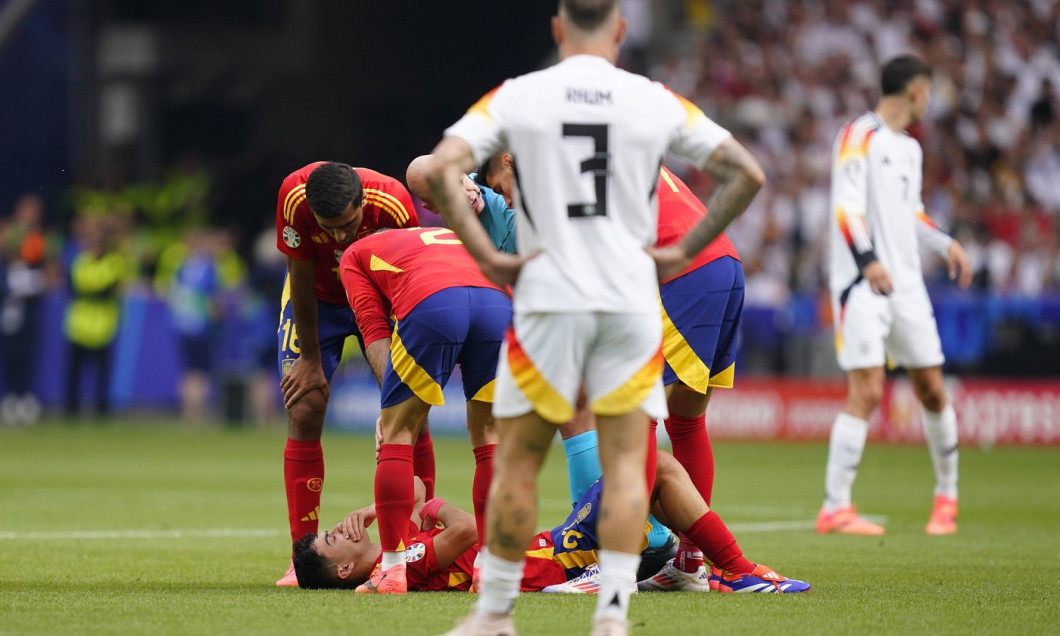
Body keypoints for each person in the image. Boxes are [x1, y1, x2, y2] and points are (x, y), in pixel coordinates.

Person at [425, 1, 765, 634]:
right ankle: (612, 613)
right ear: (620, 29)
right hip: (628, 301)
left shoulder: (519, 95)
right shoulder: (653, 98)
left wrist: (482, 254)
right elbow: (746, 173)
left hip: (551, 296)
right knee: (628, 454)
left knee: (519, 459)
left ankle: (495, 614)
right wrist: (687, 247)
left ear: (556, 30)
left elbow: (440, 167)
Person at [480, 158, 746, 587]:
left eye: (502, 188)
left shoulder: (551, 169)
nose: (508, 200)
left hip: (678, 267)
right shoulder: (602, 147)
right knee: (687, 419)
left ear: (510, 160)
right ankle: (690, 564)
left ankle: (614, 566)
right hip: (721, 259)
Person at [291, 451, 809, 595]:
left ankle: (694, 566)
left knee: (653, 471)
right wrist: (428, 513)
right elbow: (467, 529)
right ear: (343, 572)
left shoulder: (393, 553)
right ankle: (731, 569)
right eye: (337, 540)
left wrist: (374, 513)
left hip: (558, 547)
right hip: (561, 560)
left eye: (337, 526)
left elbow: (421, 492)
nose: (344, 528)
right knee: (654, 466)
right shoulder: (400, 566)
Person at [818, 55, 972, 537]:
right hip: (862, 283)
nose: (931, 99)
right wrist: (868, 261)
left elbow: (913, 214)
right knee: (866, 389)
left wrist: (945, 242)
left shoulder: (910, 149)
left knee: (931, 387)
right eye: (929, 91)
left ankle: (946, 498)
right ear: (916, 91)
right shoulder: (857, 135)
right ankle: (835, 507)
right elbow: (846, 209)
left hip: (905, 286)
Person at [337, 226, 512, 593]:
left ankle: (393, 569)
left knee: (399, 433)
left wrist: (392, 407)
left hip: (433, 302)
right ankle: (490, 567)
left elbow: (374, 330)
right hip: (499, 304)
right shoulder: (448, 233)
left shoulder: (356, 254)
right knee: (489, 436)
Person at [272, 161, 423, 586]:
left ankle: (413, 543)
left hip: (378, 296)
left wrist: (396, 380)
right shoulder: (293, 195)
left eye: (349, 225)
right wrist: (310, 359)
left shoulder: (393, 201)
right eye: (329, 227)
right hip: (317, 299)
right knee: (304, 407)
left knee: (410, 407)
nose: (340, 237)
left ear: (362, 202)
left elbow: (408, 278)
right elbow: (299, 273)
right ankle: (302, 557)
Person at [64, 215, 134, 418]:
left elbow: (105, 289)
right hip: (79, 324)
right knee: (74, 371)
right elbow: (77, 287)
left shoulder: (113, 262)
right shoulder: (80, 261)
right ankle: (71, 410)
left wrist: (91, 290)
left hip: (102, 325)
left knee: (102, 372)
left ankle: (102, 410)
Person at [406, 155, 516, 254]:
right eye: (449, 198)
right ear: (433, 208)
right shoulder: (447, 245)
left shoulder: (507, 201)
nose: (466, 196)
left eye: (461, 181)